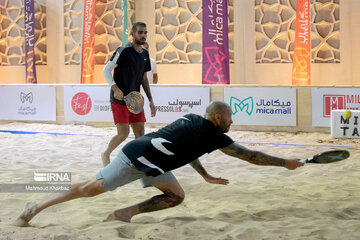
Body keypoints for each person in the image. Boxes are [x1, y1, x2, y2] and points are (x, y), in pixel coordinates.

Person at [14, 101, 304, 227]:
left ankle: (122, 215)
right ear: (218, 118)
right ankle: (34, 207)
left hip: (155, 163)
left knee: (175, 196)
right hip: (135, 158)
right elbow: (250, 156)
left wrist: (204, 175)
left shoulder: (195, 122)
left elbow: (189, 150)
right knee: (89, 189)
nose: (232, 121)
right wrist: (284, 163)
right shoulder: (213, 134)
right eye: (230, 117)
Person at [101, 22, 156, 167]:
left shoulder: (145, 53)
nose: (143, 35)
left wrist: (150, 100)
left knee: (140, 135)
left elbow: (144, 79)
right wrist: (115, 89)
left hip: (135, 101)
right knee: (123, 134)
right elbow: (106, 70)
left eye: (145, 32)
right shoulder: (123, 50)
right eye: (140, 32)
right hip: (119, 100)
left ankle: (139, 163)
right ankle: (106, 154)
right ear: (132, 34)